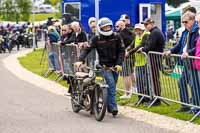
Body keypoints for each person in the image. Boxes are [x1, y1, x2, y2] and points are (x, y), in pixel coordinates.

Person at [75, 17, 125, 116]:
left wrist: (119, 63)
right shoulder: (96, 38)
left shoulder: (117, 37)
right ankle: (114, 107)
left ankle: (109, 107)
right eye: (104, 27)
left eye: (108, 27)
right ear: (100, 28)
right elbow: (87, 49)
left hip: (115, 66)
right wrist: (80, 60)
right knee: (110, 84)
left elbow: (122, 51)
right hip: (103, 66)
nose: (107, 29)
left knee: (113, 86)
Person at [164, 12, 199, 112]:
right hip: (181, 61)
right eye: (183, 22)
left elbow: (196, 48)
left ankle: (196, 107)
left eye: (186, 22)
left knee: (194, 84)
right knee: (180, 82)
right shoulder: (185, 31)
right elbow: (179, 45)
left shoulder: (196, 31)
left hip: (191, 62)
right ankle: (184, 105)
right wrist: (170, 51)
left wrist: (188, 53)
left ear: (193, 21)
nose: (184, 24)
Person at [140, 18, 165, 105]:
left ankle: (157, 99)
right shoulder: (154, 32)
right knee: (152, 79)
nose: (145, 26)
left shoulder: (155, 32)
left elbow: (150, 46)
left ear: (152, 23)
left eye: (147, 24)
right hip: (153, 58)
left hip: (154, 58)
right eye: (144, 25)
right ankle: (154, 97)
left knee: (154, 79)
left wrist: (142, 49)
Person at [126, 23, 150, 103]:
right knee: (139, 81)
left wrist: (129, 53)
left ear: (142, 29)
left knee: (145, 81)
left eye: (139, 30)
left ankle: (146, 98)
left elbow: (140, 45)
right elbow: (132, 45)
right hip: (138, 63)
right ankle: (140, 99)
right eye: (136, 30)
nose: (137, 31)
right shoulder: (136, 36)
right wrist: (127, 49)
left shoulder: (146, 35)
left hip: (146, 62)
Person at [115, 20, 135, 99]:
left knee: (125, 75)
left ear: (121, 26)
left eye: (117, 26)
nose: (116, 28)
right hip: (132, 55)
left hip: (125, 56)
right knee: (131, 72)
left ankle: (127, 93)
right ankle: (134, 88)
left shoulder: (120, 35)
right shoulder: (131, 33)